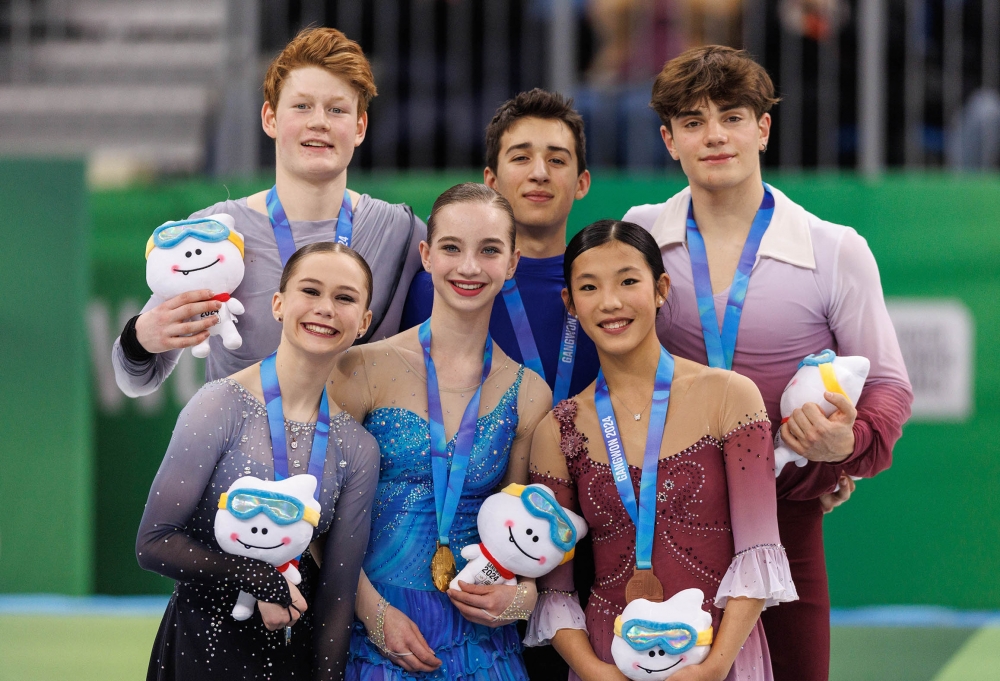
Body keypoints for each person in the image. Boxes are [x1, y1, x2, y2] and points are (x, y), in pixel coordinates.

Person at [623, 46, 913, 680]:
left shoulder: (835, 249)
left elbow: (889, 387)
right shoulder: (637, 238)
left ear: (764, 127)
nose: (715, 135)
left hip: (785, 520)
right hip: (661, 518)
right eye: (693, 122)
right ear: (670, 141)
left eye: (731, 115)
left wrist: (846, 443)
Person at [527, 220, 797, 681]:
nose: (611, 302)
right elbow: (556, 591)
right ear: (570, 303)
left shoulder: (730, 397)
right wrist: (593, 670)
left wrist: (713, 668)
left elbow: (759, 550)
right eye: (589, 287)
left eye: (628, 281)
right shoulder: (558, 430)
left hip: (718, 658)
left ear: (660, 288)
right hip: (608, 661)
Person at [114, 27, 425, 397]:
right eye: (302, 106)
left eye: (337, 109)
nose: (319, 122)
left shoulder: (400, 232)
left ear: (359, 127)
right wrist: (140, 338)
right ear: (270, 119)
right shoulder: (214, 231)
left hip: (359, 454)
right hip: (239, 453)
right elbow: (135, 379)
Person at [328, 183, 551, 681]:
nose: (469, 267)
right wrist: (373, 614)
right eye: (451, 247)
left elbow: (525, 536)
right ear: (426, 255)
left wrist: (521, 598)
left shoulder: (528, 393)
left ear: (512, 263)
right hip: (380, 642)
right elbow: (320, 519)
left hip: (482, 648)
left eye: (489, 250)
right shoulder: (361, 368)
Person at [136, 242, 381, 681]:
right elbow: (153, 543)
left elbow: (337, 599)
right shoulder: (219, 405)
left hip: (292, 657)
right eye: (310, 290)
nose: (325, 308)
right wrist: (257, 577)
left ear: (363, 323)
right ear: (279, 304)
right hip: (201, 648)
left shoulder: (357, 446)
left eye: (344, 298)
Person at [401, 89, 600, 404]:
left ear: (582, 183)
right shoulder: (436, 287)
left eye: (557, 160)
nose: (539, 174)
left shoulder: (603, 293)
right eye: (521, 158)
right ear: (491, 181)